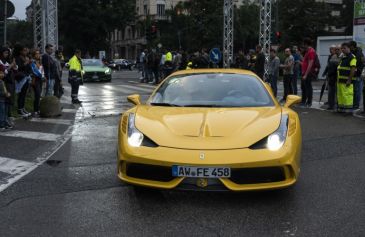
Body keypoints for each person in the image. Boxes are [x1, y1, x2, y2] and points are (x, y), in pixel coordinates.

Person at [337, 42, 357, 113]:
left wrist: (349, 80)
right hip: (341, 80)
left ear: (349, 48)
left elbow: (353, 69)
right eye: (342, 48)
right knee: (341, 95)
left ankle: (348, 110)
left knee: (347, 96)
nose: (343, 50)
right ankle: (341, 108)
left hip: (347, 81)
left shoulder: (352, 57)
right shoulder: (344, 57)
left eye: (344, 48)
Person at [14, 45, 32, 117]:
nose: (26, 52)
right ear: (20, 51)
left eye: (26, 50)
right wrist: (26, 63)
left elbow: (28, 68)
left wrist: (29, 63)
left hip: (26, 77)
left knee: (24, 94)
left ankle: (23, 108)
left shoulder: (26, 58)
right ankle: (19, 109)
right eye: (24, 50)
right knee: (21, 94)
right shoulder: (17, 58)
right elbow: (18, 68)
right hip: (21, 78)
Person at [322, 45, 340, 110]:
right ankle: (330, 105)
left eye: (337, 49)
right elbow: (328, 66)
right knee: (330, 91)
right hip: (331, 76)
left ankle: (335, 105)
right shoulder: (332, 56)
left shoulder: (341, 57)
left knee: (336, 92)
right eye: (330, 49)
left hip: (337, 77)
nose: (331, 50)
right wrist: (325, 73)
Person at [301, 38, 317, 107]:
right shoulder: (308, 51)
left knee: (308, 87)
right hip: (304, 72)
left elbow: (310, 63)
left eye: (304, 44)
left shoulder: (311, 51)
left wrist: (306, 74)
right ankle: (304, 101)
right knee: (304, 87)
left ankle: (309, 102)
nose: (303, 46)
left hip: (308, 73)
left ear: (306, 44)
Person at [349, 41, 364, 111]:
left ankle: (356, 105)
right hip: (355, 74)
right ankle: (354, 104)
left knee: (357, 90)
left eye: (349, 46)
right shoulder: (354, 53)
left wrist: (357, 72)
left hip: (358, 75)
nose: (349, 47)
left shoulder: (358, 54)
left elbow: (357, 65)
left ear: (352, 46)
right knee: (354, 90)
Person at [30, 49, 44, 116]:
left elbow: (42, 70)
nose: (38, 55)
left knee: (39, 95)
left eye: (39, 53)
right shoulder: (32, 62)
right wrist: (42, 76)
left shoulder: (39, 62)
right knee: (37, 94)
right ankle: (35, 110)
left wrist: (43, 76)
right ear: (33, 55)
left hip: (40, 80)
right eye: (36, 54)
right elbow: (35, 72)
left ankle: (38, 109)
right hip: (35, 80)